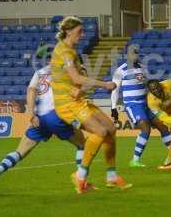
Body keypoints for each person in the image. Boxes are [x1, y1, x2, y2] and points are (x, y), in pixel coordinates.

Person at [0, 47, 87, 194]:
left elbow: (31, 91)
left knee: (19, 152)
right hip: (56, 115)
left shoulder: (40, 72)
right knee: (82, 144)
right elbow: (80, 82)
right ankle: (81, 182)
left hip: (40, 118)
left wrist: (31, 114)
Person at [51, 15, 130, 194]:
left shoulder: (72, 52)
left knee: (110, 128)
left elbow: (79, 78)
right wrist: (105, 84)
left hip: (78, 100)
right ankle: (80, 175)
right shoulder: (64, 51)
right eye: (79, 31)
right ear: (68, 31)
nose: (82, 34)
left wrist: (81, 88)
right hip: (67, 104)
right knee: (100, 132)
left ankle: (111, 177)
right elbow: (76, 78)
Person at [111, 45, 171, 167]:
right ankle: (135, 160)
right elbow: (115, 90)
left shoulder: (143, 68)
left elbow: (148, 86)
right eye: (132, 54)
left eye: (136, 54)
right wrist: (113, 108)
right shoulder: (120, 70)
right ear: (127, 55)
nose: (134, 56)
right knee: (145, 128)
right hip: (132, 104)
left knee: (162, 126)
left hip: (145, 104)